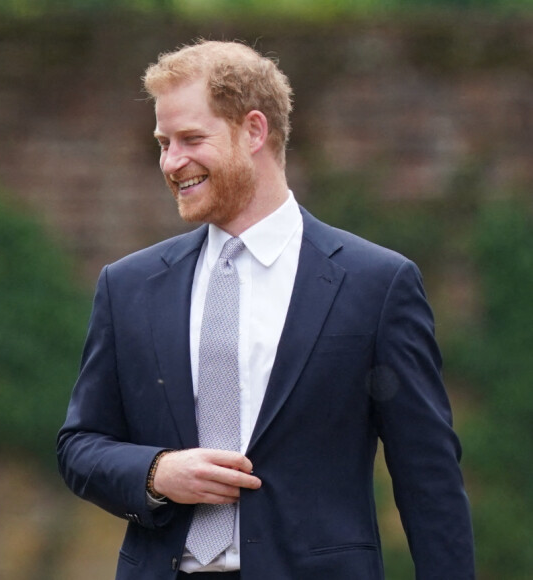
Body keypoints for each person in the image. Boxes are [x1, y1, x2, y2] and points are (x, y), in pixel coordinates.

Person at [57, 40, 475, 580]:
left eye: (190, 139)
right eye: (163, 142)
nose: (171, 161)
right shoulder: (128, 285)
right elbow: (79, 446)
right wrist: (156, 471)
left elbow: (429, 479)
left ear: (254, 131)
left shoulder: (377, 285)